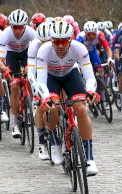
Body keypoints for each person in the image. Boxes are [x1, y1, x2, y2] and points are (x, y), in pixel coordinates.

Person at [37, 21, 99, 176]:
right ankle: (55, 143)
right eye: (56, 41)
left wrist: (91, 91)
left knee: (81, 109)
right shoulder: (44, 51)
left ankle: (89, 158)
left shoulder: (80, 48)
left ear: (70, 40)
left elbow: (90, 77)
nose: (60, 46)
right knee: (54, 107)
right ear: (52, 41)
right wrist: (45, 98)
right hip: (51, 77)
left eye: (64, 41)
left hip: (71, 74)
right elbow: (41, 81)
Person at [0, 9, 36, 138]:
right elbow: (0, 60)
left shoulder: (31, 32)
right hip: (11, 55)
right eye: (15, 27)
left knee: (29, 78)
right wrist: (5, 69)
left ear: (25, 26)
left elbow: (38, 53)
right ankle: (15, 123)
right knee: (14, 85)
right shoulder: (5, 34)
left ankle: (31, 103)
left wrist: (31, 67)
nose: (17, 31)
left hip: (26, 53)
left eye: (20, 27)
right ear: (11, 26)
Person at [26, 22, 52, 160]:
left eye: (48, 41)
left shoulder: (59, 43)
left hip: (55, 72)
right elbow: (31, 72)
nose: (45, 45)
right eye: (43, 42)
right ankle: (42, 143)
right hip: (38, 73)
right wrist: (35, 86)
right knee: (40, 106)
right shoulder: (34, 46)